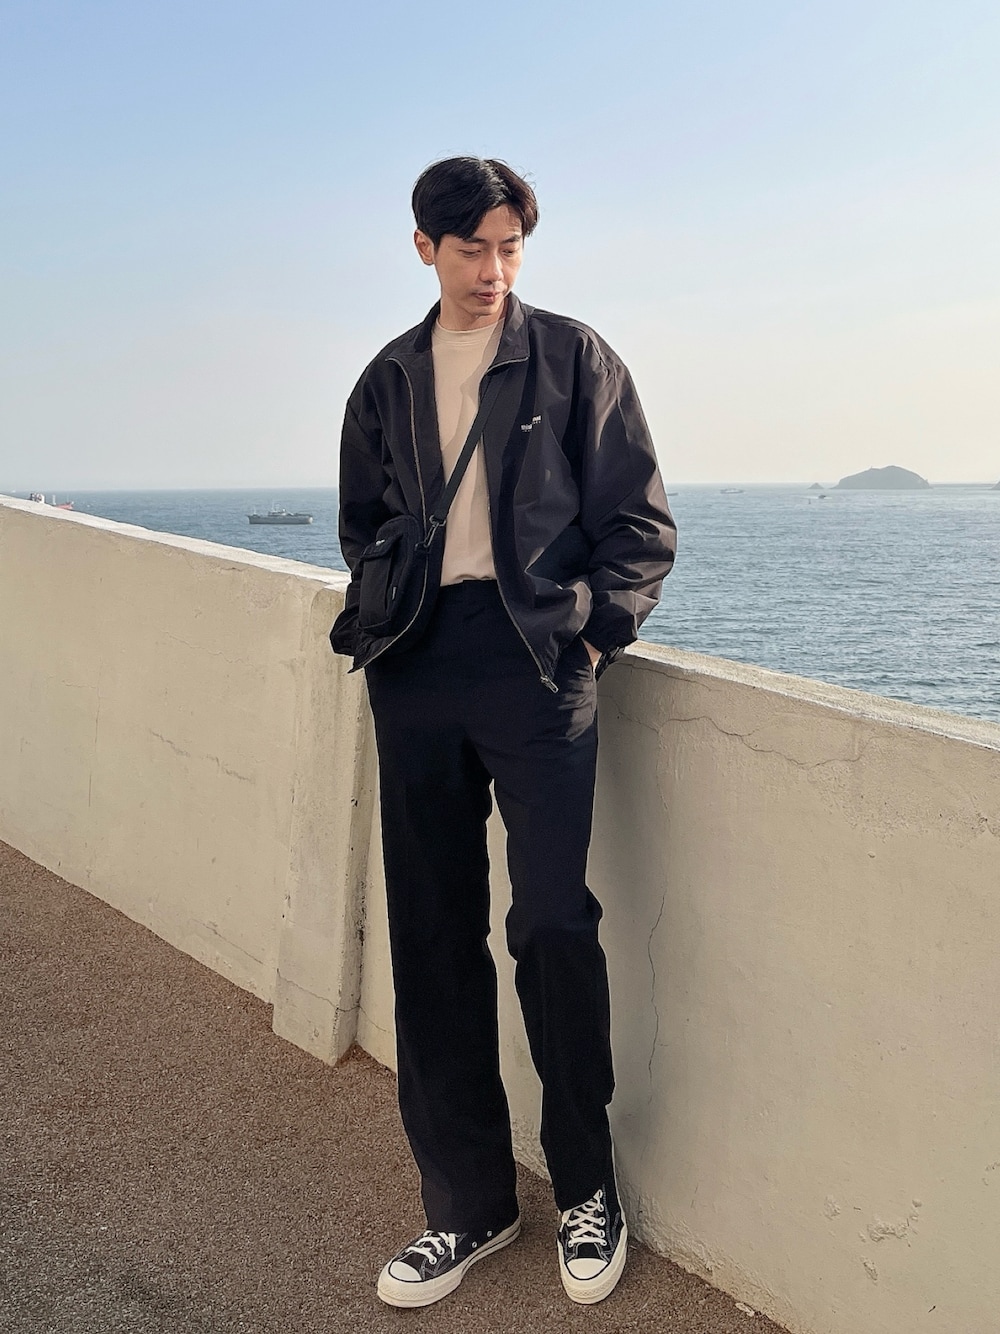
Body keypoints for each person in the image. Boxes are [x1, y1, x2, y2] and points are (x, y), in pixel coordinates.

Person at [330, 156, 676, 1308]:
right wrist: (392, 628)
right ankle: (467, 1201)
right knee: (431, 933)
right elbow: (365, 526)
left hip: (538, 667)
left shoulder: (574, 359)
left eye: (510, 247)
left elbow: (638, 523)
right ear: (424, 248)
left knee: (552, 923)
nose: (493, 269)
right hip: (418, 667)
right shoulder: (387, 379)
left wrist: (594, 640)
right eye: (472, 247)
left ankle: (585, 1183)